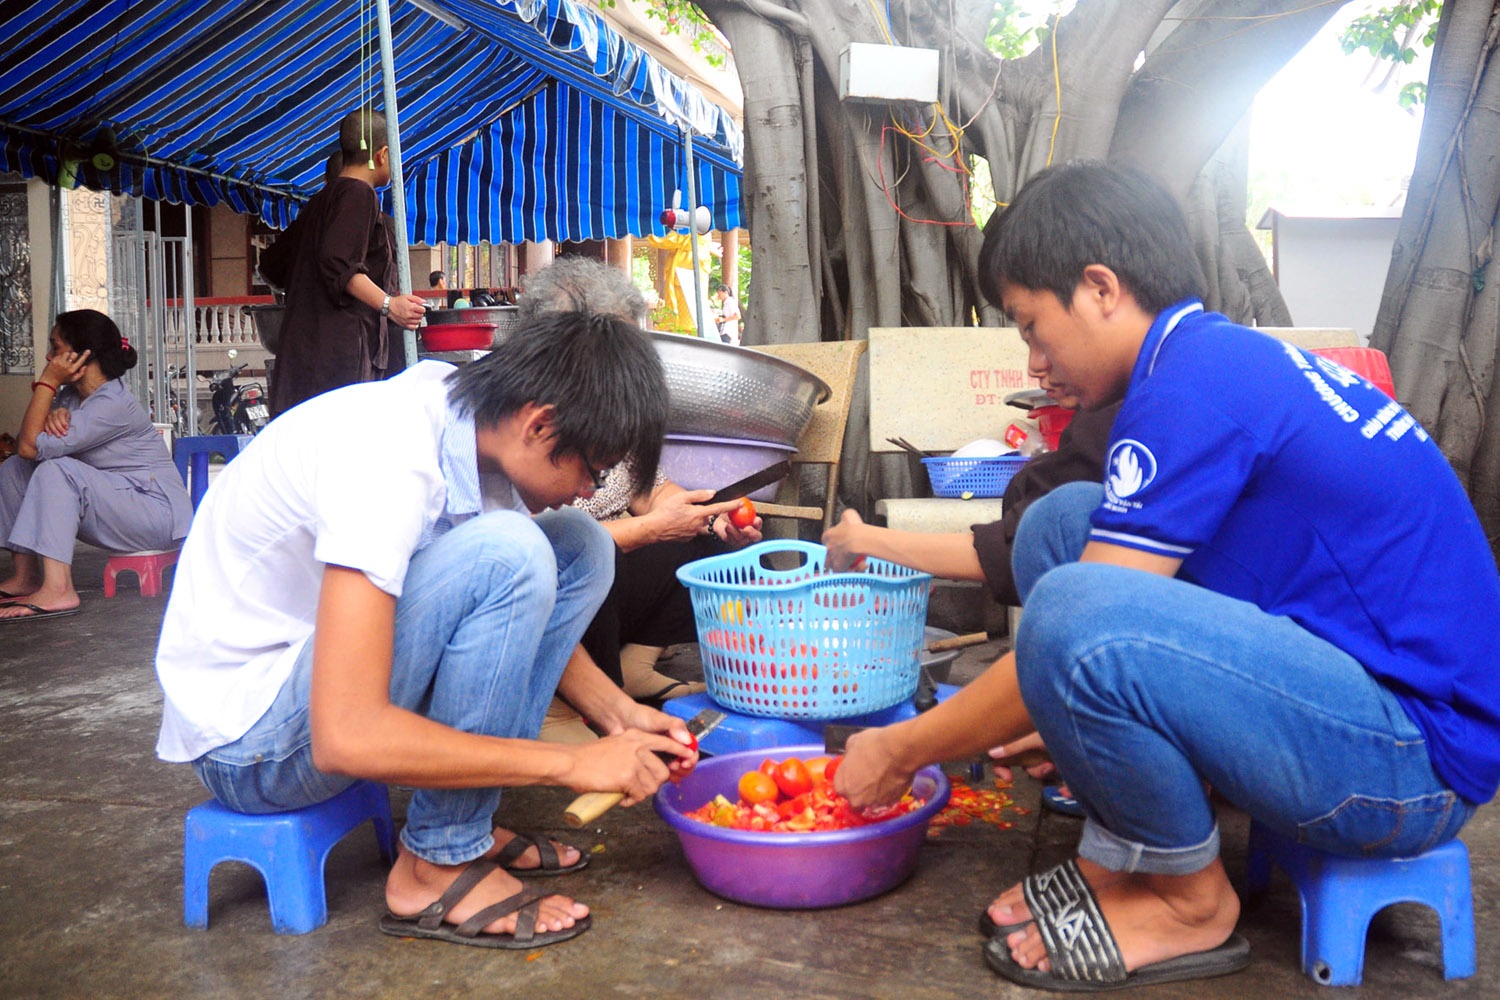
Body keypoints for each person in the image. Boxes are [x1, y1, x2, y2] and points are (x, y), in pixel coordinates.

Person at [834, 162, 1500, 991]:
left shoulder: (1192, 389)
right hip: (1355, 698)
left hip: (1409, 765)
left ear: (1102, 288)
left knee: (1079, 604)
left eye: (1034, 327)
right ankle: (1129, 862)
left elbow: (1087, 625)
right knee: (1062, 526)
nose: (1036, 363)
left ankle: (1188, 901)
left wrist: (898, 750)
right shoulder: (1205, 362)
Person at [155, 311, 697, 949]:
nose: (589, 489)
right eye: (595, 471)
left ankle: (459, 825)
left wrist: (617, 713)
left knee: (579, 545)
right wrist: (573, 764)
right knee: (510, 551)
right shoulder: (388, 458)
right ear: (540, 423)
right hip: (252, 748)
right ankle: (435, 864)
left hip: (307, 691)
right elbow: (345, 737)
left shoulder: (469, 422)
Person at [513, 258, 761, 743]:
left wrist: (703, 516)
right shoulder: (527, 422)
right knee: (588, 552)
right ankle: (563, 704)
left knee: (708, 550)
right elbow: (532, 543)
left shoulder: (610, 402)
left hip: (611, 577)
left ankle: (635, 668)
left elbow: (650, 489)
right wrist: (645, 531)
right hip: (573, 583)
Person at [0, 310, 192, 621]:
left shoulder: (112, 404)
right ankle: (26, 577)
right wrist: (49, 410)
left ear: (81, 356)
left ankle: (59, 589)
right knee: (14, 472)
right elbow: (28, 445)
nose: (48, 356)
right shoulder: (72, 397)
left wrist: (46, 384)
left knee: (55, 469)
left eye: (55, 347)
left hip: (155, 516)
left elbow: (28, 445)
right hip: (118, 503)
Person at [268, 109, 426, 417]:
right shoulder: (358, 194)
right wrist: (389, 304)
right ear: (382, 154)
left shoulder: (320, 200)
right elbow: (339, 263)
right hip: (338, 354)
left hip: (309, 350)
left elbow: (275, 265)